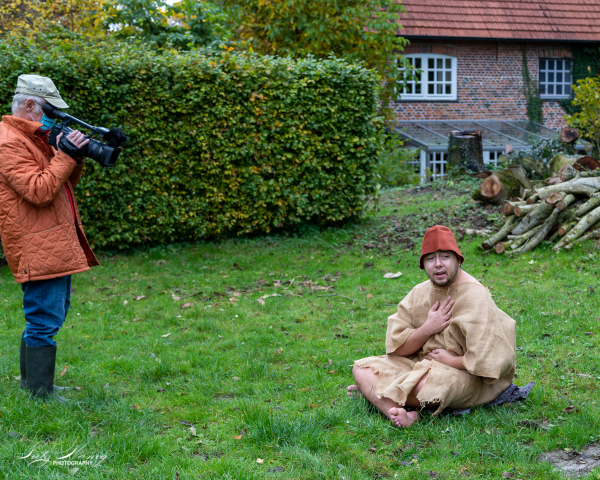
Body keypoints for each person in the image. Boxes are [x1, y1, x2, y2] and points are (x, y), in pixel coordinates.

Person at [347, 225, 516, 428]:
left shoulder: (475, 296)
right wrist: (427, 328)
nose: (438, 265)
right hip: (418, 364)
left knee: (424, 387)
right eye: (430, 259)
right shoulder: (420, 292)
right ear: (423, 265)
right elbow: (398, 348)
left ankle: (376, 394)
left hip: (465, 375)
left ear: (458, 260)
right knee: (361, 369)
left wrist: (452, 361)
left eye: (445, 257)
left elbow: (491, 361)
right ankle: (397, 410)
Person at [0, 74, 99, 401]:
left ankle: (34, 386)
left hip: (49, 240)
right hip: (36, 243)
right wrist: (65, 155)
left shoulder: (31, 137)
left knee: (48, 314)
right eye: (49, 110)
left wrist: (76, 157)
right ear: (29, 105)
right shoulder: (8, 142)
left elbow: (61, 185)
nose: (52, 117)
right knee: (43, 318)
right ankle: (40, 393)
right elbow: (39, 190)